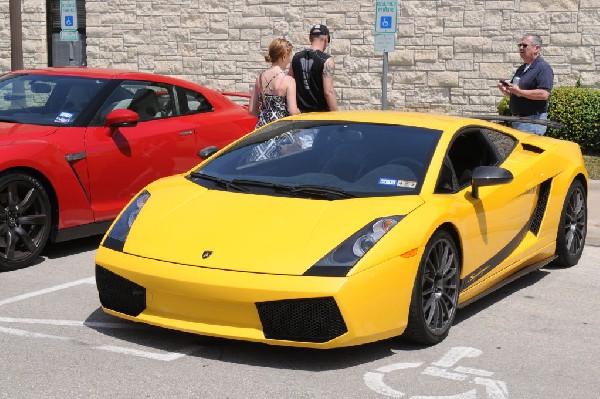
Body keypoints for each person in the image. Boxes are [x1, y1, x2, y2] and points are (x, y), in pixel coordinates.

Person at [498, 34, 554, 135]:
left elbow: (543, 94)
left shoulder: (543, 68)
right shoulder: (522, 68)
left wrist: (519, 92)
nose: (521, 48)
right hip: (518, 121)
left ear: (536, 48)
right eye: (520, 45)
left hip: (532, 122)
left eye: (524, 45)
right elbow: (516, 93)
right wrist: (506, 90)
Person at [249, 38, 300, 128]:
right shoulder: (288, 81)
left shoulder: (259, 79)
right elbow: (293, 112)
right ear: (284, 57)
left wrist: (265, 116)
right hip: (280, 131)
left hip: (262, 130)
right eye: (289, 57)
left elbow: (252, 110)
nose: (289, 61)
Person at [289, 24, 339, 113]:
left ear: (310, 38)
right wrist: (337, 116)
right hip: (321, 116)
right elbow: (329, 92)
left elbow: (290, 84)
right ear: (326, 39)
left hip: (300, 114)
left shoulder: (296, 58)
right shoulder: (327, 60)